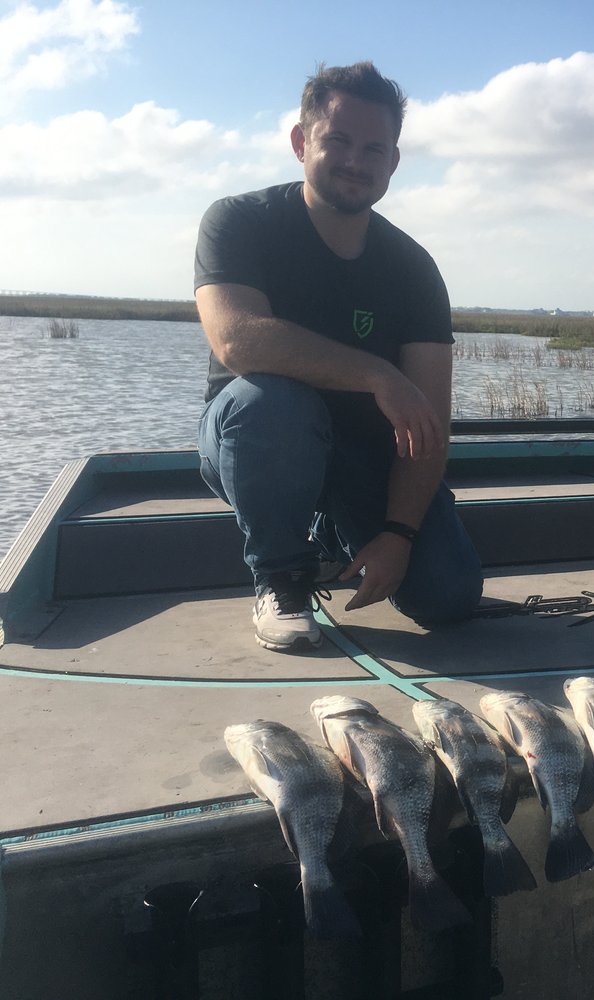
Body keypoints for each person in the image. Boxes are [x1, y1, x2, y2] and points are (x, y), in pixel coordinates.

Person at [194, 61, 482, 652]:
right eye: (339, 140)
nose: (357, 161)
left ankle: (330, 534)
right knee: (270, 401)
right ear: (301, 142)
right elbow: (236, 340)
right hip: (257, 443)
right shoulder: (239, 222)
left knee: (448, 595)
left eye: (375, 148)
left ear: (394, 162)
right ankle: (281, 579)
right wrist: (376, 373)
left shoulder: (414, 268)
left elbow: (430, 424)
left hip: (360, 459)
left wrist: (400, 534)